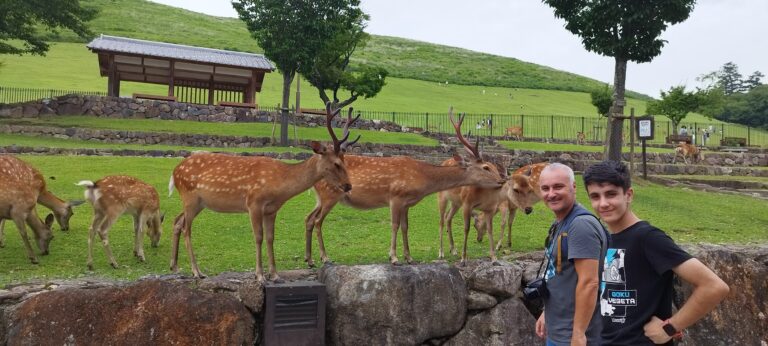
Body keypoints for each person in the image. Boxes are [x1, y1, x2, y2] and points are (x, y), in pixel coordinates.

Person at [583, 161, 729, 345]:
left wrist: (670, 328)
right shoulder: (608, 238)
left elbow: (714, 286)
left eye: (611, 194)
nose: (603, 203)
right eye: (595, 196)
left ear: (628, 195)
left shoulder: (648, 238)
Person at [535, 163, 609, 346]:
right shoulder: (562, 221)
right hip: (559, 329)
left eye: (558, 187)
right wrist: (547, 312)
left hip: (575, 337)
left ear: (573, 187)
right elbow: (560, 274)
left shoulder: (580, 226)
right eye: (545, 188)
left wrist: (578, 335)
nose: (551, 194)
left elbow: (589, 283)